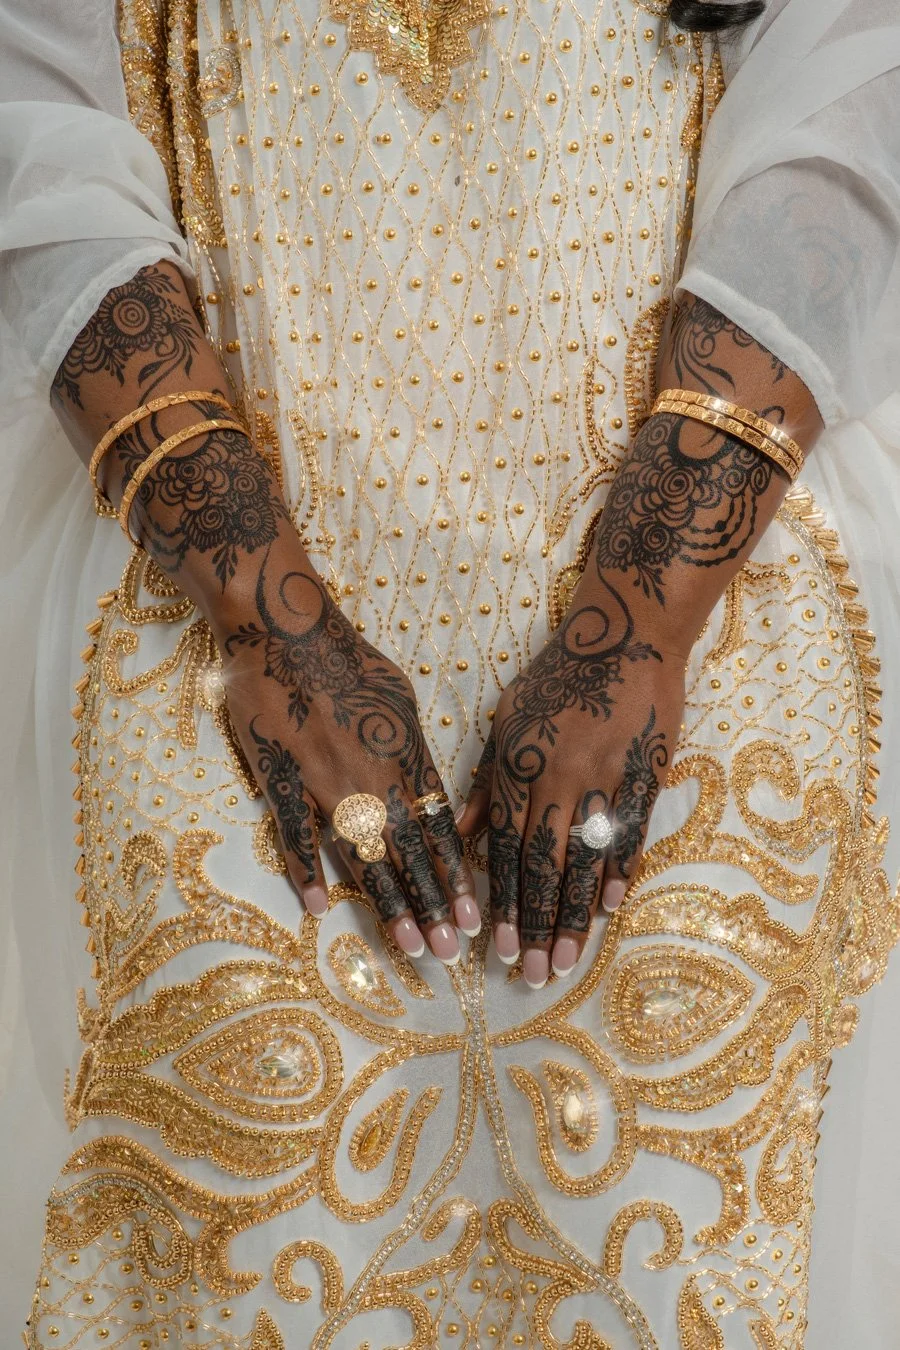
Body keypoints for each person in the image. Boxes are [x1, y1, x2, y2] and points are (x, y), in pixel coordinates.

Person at [1, 0, 899, 1344]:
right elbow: (29, 105)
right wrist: (273, 625)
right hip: (211, 556)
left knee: (678, 1159)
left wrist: (639, 618)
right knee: (241, 1134)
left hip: (702, 555)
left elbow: (852, 70)